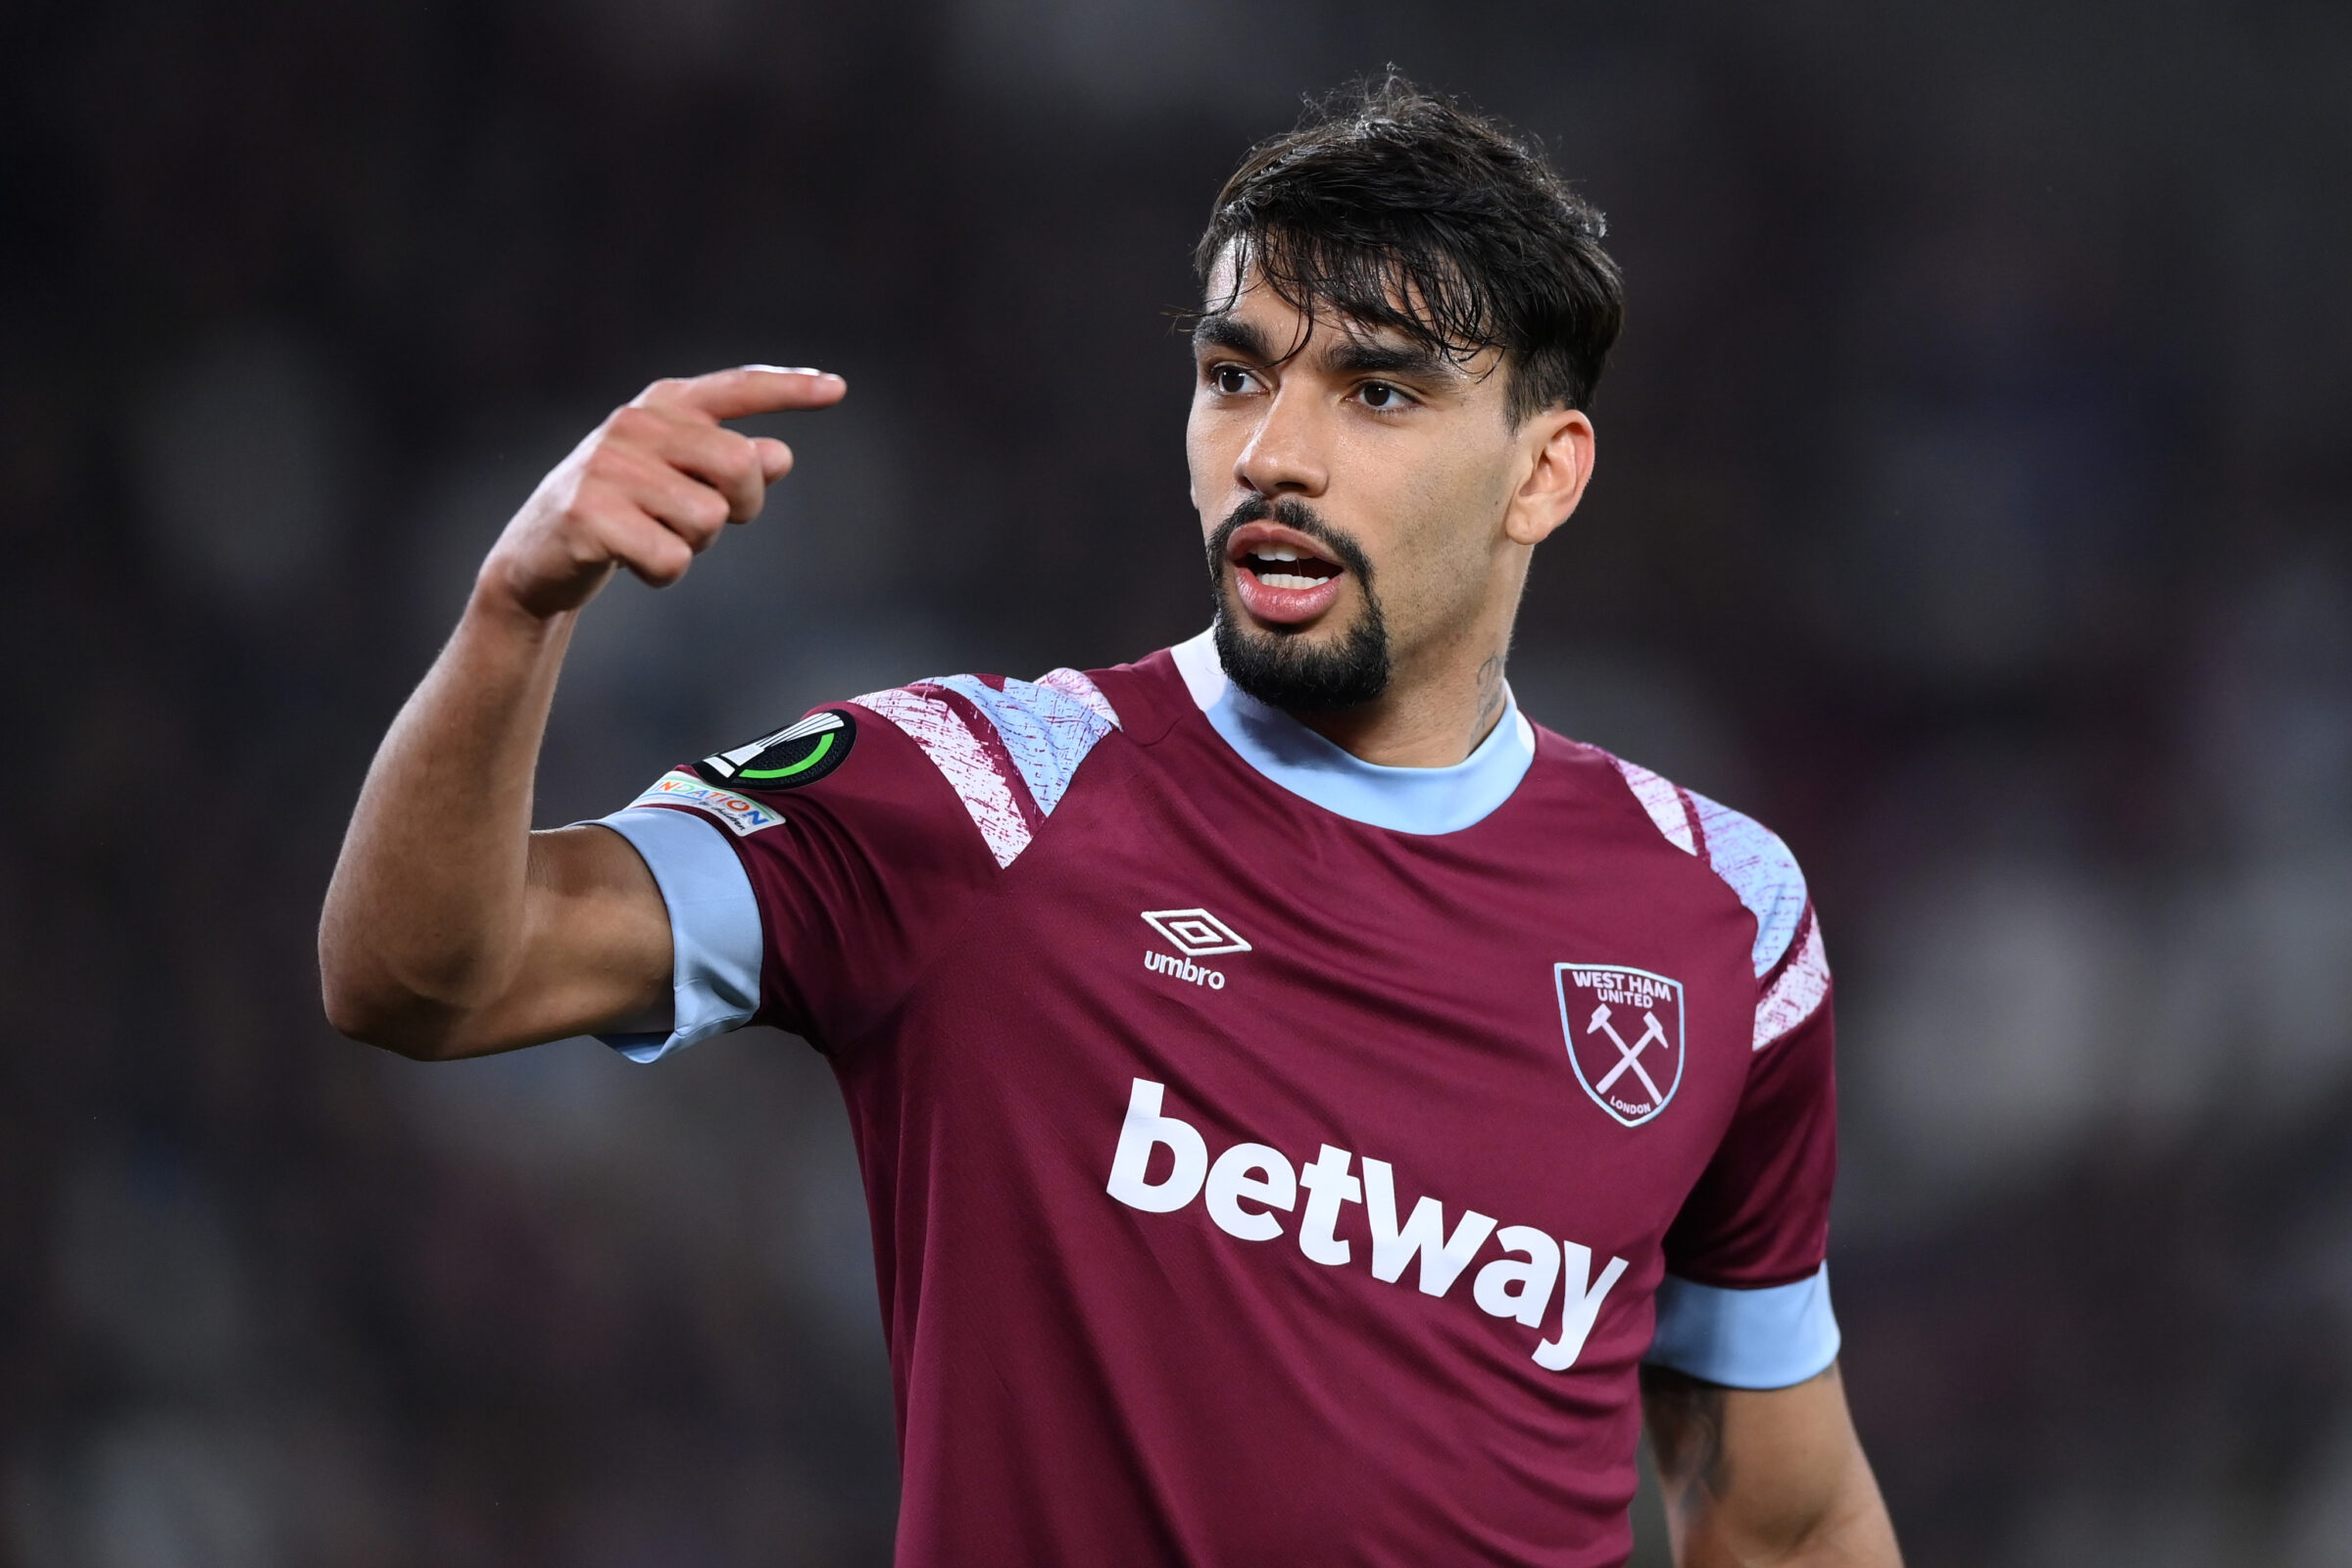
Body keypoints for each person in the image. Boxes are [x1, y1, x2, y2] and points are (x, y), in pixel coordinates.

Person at [321, 75, 1901, 1568]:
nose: (1275, 454)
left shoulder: (1720, 920)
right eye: (1236, 375)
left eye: (1378, 390)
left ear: (1543, 476)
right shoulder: (976, 797)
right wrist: (517, 610)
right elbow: (422, 978)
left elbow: (1781, 1516)